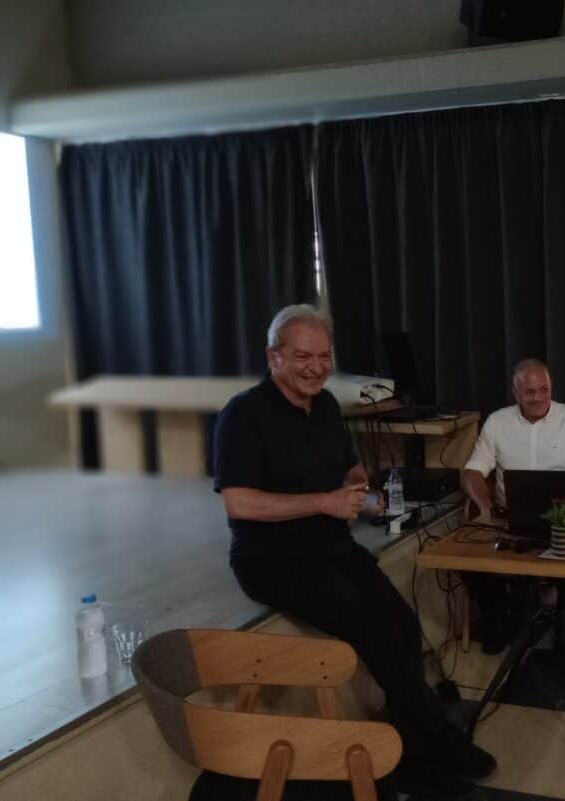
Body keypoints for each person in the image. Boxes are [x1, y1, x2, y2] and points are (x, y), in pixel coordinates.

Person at [213, 304, 495, 799]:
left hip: (331, 547)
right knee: (379, 635)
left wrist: (355, 482)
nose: (316, 367)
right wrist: (323, 501)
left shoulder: (324, 407)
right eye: (303, 356)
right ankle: (430, 745)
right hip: (273, 561)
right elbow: (239, 502)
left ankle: (412, 747)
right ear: (274, 358)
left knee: (403, 626)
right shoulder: (242, 415)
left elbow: (345, 469)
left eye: (324, 356)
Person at [461, 358, 565, 652]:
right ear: (516, 392)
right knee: (466, 557)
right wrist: (484, 507)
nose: (538, 398)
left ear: (551, 387)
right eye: (530, 392)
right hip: (509, 519)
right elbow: (472, 472)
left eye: (543, 389)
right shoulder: (498, 421)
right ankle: (497, 617)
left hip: (563, 520)